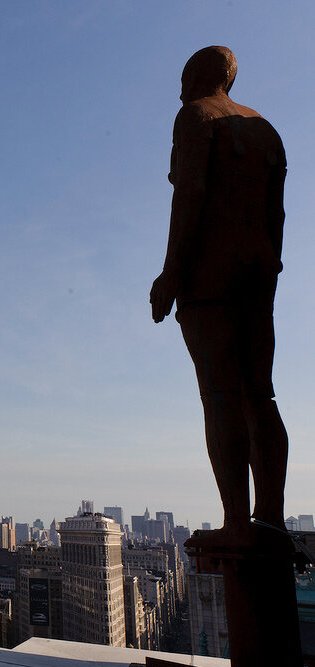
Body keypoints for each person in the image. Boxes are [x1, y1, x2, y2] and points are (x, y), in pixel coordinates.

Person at [150, 46, 288, 537]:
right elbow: (277, 217)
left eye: (183, 77)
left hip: (209, 276)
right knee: (261, 394)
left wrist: (170, 274)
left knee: (220, 395)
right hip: (260, 273)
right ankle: (269, 514)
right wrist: (269, 270)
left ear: (200, 76)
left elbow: (190, 194)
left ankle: (236, 521)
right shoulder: (266, 130)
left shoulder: (195, 116)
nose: (180, 88)